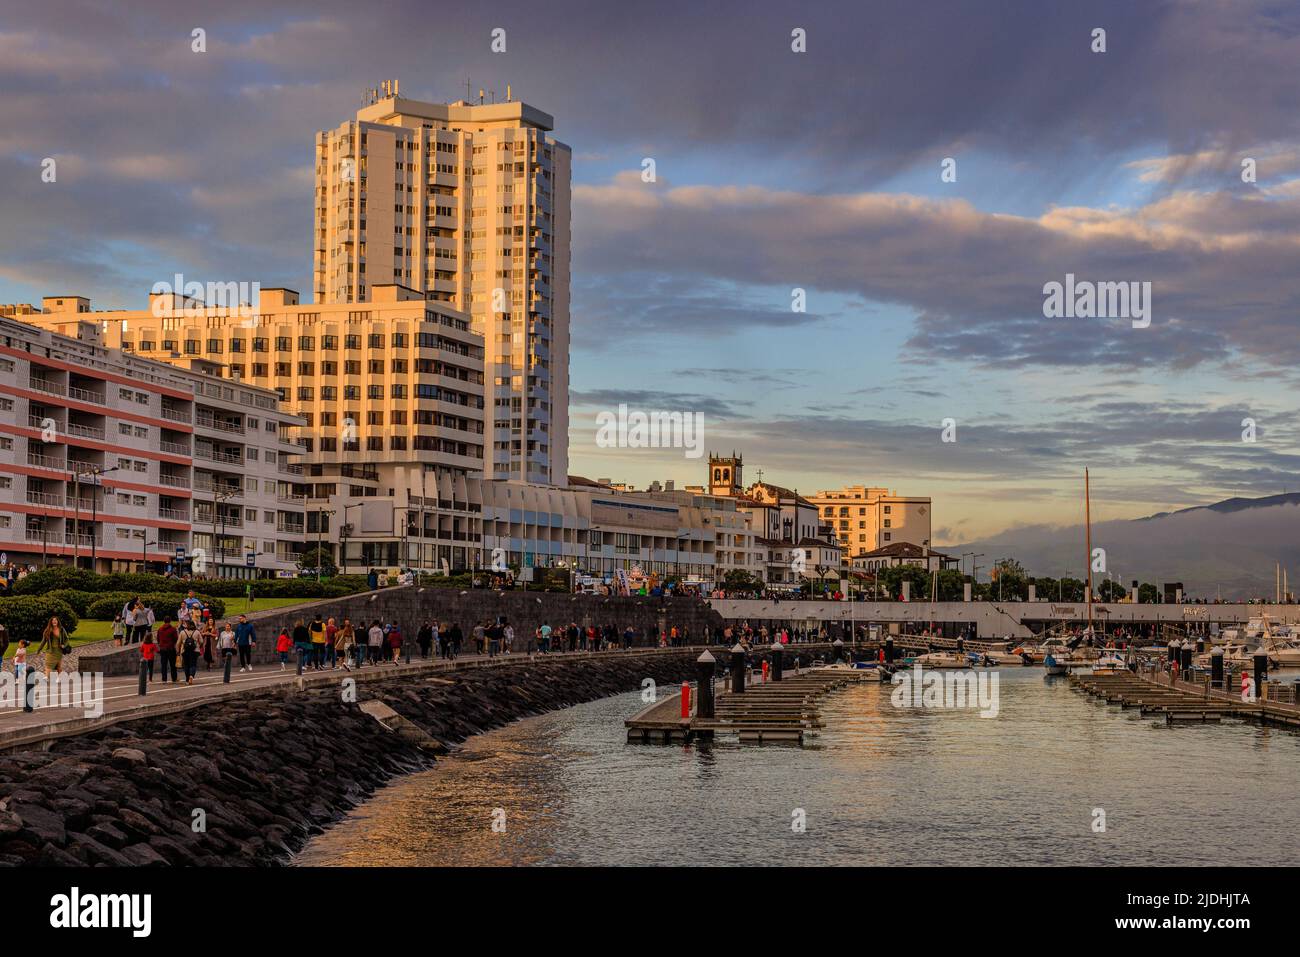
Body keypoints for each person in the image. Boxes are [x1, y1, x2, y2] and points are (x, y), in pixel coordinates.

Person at [156, 615, 179, 683]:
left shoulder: (160, 629)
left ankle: (164, 679)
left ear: (164, 621)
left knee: (163, 665)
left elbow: (158, 639)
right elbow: (176, 639)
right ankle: (174, 678)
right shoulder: (173, 629)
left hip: (162, 649)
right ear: (170, 621)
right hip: (171, 648)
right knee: (172, 665)